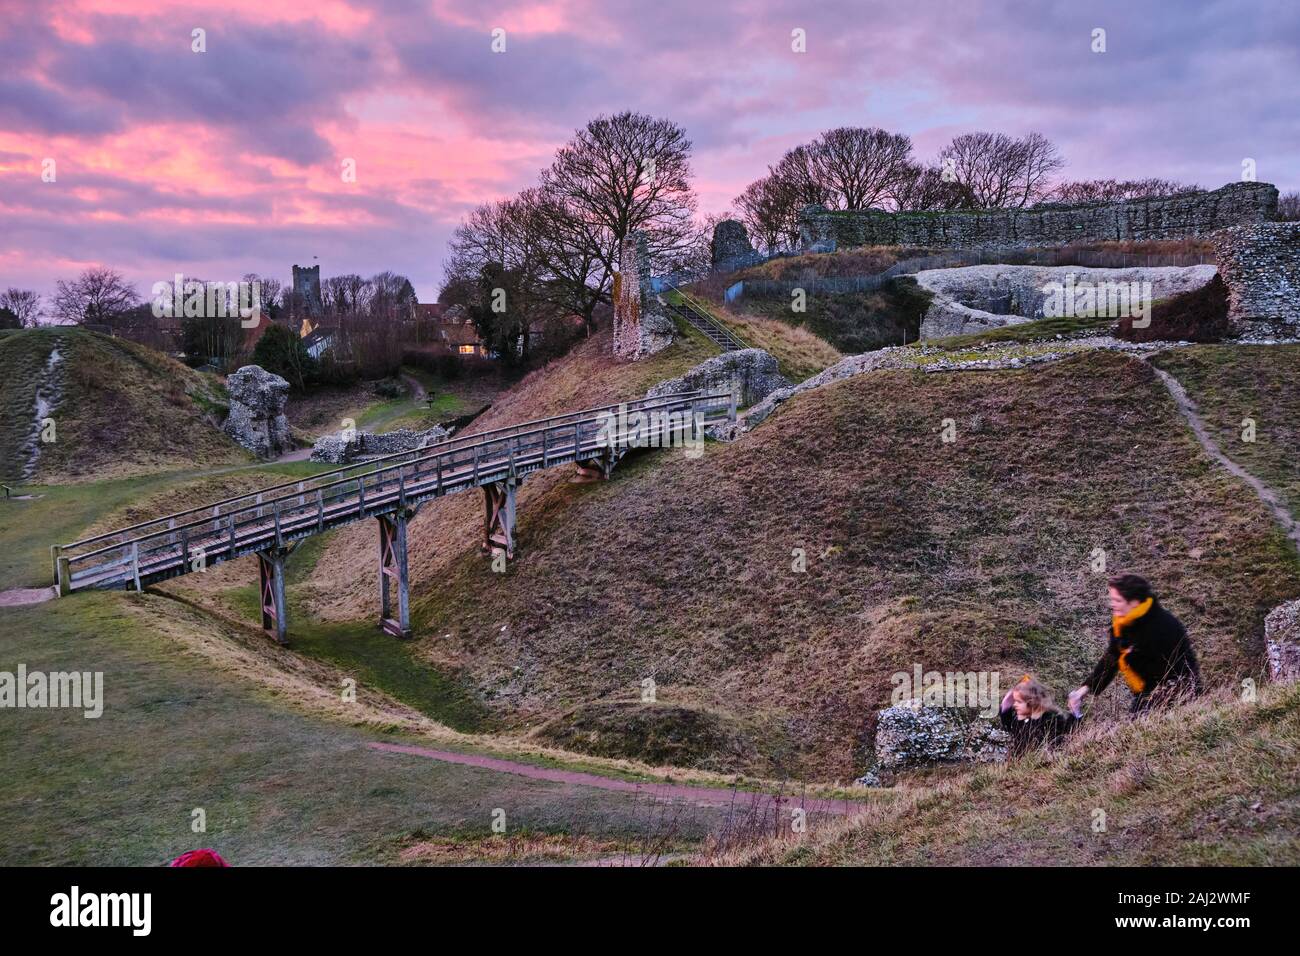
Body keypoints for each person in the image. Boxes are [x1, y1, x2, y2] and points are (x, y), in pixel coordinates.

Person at [1068, 573, 1201, 717]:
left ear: (1134, 602)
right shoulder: (1124, 622)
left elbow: (1174, 675)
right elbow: (1113, 656)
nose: (1112, 604)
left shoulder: (1162, 627)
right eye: (1112, 599)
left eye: (1117, 600)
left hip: (1175, 697)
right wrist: (1085, 689)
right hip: (1146, 694)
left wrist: (1131, 654)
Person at [999, 675, 1079, 755]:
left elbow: (1073, 728)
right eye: (1014, 701)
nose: (1014, 705)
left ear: (1032, 702)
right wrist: (1005, 708)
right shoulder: (1025, 719)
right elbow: (1009, 727)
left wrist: (1076, 711)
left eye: (1019, 701)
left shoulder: (1051, 719)